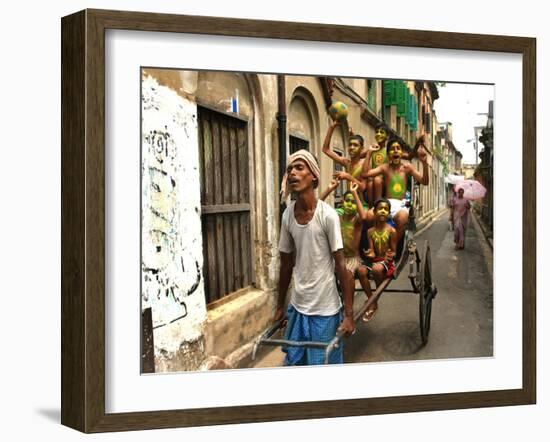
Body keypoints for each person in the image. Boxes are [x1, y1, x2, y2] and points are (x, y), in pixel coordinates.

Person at [276, 150, 355, 366]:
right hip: (298, 306)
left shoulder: (327, 216)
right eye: (290, 169)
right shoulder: (287, 216)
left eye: (299, 168)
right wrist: (280, 306)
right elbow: (285, 265)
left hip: (325, 309)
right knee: (294, 364)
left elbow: (342, 266)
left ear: (314, 177)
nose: (292, 172)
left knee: (321, 370)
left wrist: (348, 315)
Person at [320, 181, 373, 317]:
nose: (350, 204)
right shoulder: (336, 216)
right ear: (342, 202)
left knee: (348, 274)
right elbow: (318, 207)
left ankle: (349, 311)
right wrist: (329, 188)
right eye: (347, 201)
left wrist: (355, 193)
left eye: (353, 202)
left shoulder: (357, 220)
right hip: (336, 258)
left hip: (353, 259)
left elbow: (364, 216)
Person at [363, 136, 429, 244]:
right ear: (388, 154)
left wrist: (425, 163)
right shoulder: (384, 168)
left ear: (402, 153)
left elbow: (425, 181)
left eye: (398, 148)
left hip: (401, 204)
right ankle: (376, 244)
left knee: (402, 218)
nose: (395, 151)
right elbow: (365, 174)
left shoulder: (408, 168)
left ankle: (392, 248)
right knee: (369, 216)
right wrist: (369, 153)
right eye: (392, 149)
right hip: (386, 203)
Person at [363, 197, 398, 321]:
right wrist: (370, 253)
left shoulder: (392, 231)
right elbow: (371, 249)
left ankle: (374, 301)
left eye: (385, 209)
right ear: (374, 212)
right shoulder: (370, 231)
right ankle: (372, 299)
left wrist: (390, 255)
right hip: (375, 260)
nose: (383, 211)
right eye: (380, 209)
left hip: (385, 261)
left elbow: (394, 251)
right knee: (361, 271)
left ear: (389, 213)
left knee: (377, 269)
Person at [322, 120, 368, 206]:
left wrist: (347, 176)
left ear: (362, 148)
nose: (351, 147)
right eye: (350, 145)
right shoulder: (347, 162)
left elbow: (363, 187)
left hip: (361, 205)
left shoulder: (364, 164)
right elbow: (325, 149)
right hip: (348, 203)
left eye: (355, 145)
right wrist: (332, 127)